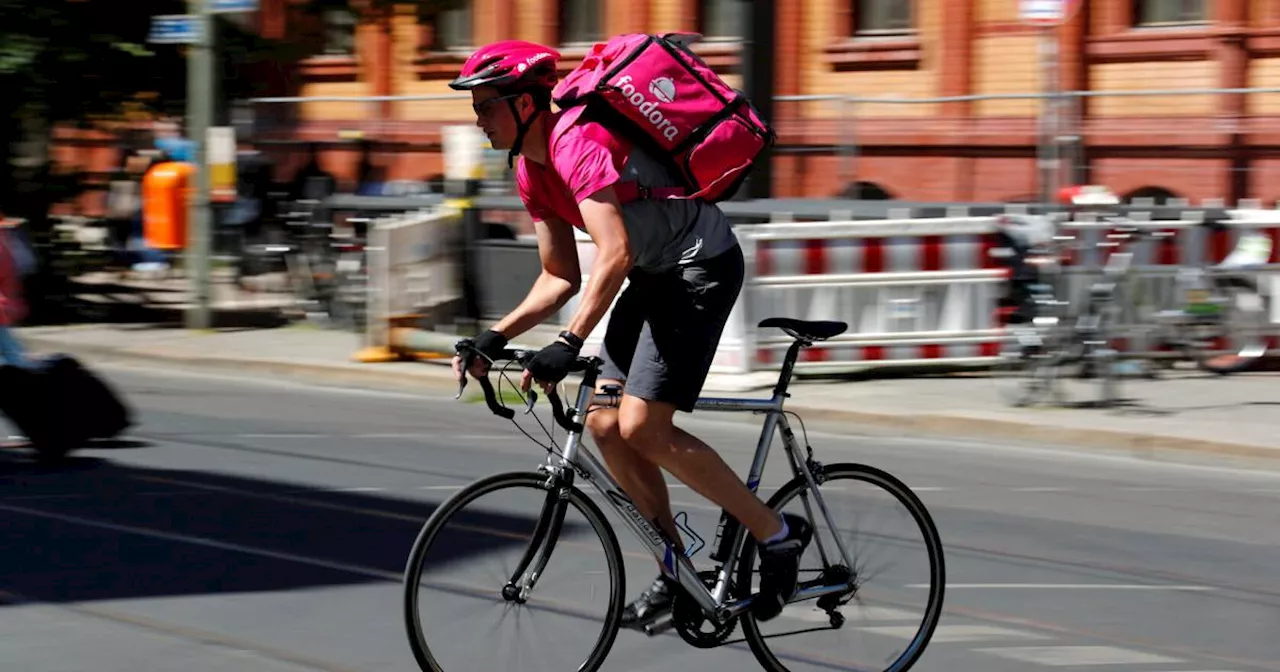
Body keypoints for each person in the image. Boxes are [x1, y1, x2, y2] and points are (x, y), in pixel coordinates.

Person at [447, 40, 812, 629]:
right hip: (649, 274)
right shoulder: (529, 170)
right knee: (602, 423)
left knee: (642, 423)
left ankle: (778, 534)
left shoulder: (576, 144)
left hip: (699, 266)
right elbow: (559, 275)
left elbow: (612, 252)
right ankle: (679, 570)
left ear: (523, 105)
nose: (478, 119)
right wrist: (493, 335)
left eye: (486, 106)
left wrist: (568, 344)